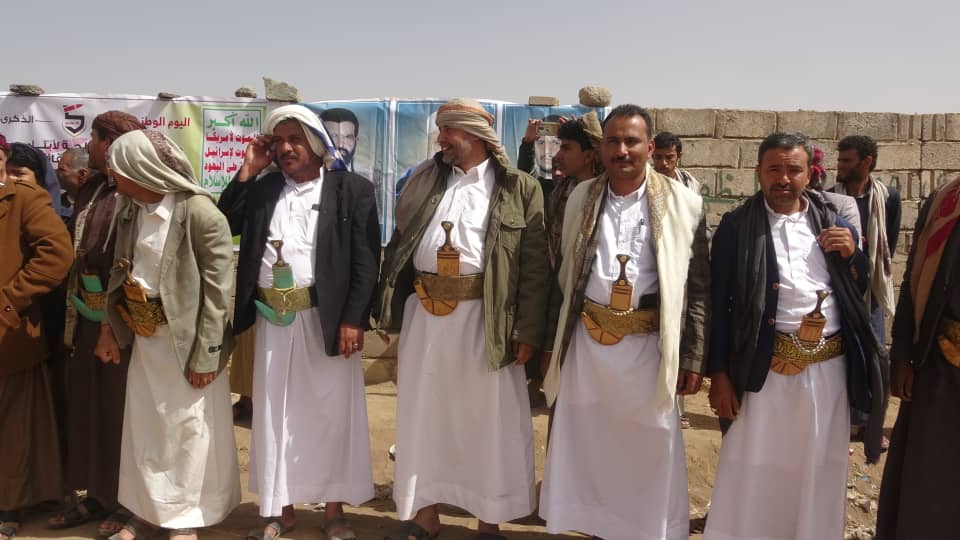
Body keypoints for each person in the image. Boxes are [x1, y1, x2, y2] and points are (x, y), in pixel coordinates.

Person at [375, 98, 549, 540]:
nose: (441, 139)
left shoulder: (519, 188)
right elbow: (400, 246)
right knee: (425, 416)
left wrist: (527, 331)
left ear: (474, 135)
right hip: (426, 318)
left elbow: (534, 267)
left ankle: (488, 521)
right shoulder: (426, 180)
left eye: (448, 131)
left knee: (487, 421)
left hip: (487, 322)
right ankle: (425, 514)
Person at [537, 105, 709, 540]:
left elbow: (698, 287)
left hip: (650, 350)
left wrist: (692, 355)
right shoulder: (581, 197)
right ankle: (597, 529)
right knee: (591, 446)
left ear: (649, 147)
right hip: (588, 348)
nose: (622, 150)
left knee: (648, 446)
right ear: (603, 149)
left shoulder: (684, 203)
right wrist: (550, 345)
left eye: (632, 141)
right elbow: (563, 278)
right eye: (613, 141)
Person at [704, 132, 885, 540]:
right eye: (774, 169)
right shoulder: (737, 225)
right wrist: (720, 374)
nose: (783, 179)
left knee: (818, 465)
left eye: (793, 170)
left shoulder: (831, 219)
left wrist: (854, 256)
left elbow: (860, 291)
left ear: (809, 174)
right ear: (758, 172)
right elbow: (719, 303)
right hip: (760, 370)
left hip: (827, 373)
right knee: (754, 465)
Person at [218, 104, 379, 540]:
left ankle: (333, 511)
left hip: (327, 322)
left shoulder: (352, 190)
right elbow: (224, 222)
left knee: (331, 414)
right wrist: (248, 170)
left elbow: (366, 261)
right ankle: (280, 511)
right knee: (275, 415)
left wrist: (353, 319)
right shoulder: (264, 189)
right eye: (279, 141)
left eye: (295, 139)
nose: (286, 148)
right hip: (274, 321)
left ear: (316, 142)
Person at [96, 129, 240, 540]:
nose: (113, 176)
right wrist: (109, 329)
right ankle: (147, 512)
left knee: (187, 432)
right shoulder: (130, 210)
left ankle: (184, 519)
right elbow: (119, 272)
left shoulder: (201, 214)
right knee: (147, 430)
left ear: (142, 170)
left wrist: (207, 354)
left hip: (188, 344)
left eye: (119, 169)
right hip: (146, 339)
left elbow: (218, 293)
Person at [49, 112, 145, 535]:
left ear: (111, 143)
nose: (87, 147)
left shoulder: (138, 190)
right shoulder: (94, 188)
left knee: (119, 410)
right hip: (87, 316)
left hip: (125, 321)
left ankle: (125, 501)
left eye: (93, 139)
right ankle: (97, 495)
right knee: (87, 405)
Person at [876, 175, 960, 539]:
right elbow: (914, 279)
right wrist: (902, 354)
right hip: (940, 365)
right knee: (931, 481)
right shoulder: (947, 200)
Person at [0, 132, 73, 540]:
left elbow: (56, 256)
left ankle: (10, 504)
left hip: (8, 335)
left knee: (13, 425)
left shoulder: (25, 199)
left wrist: (9, 302)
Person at [517, 114, 563, 199]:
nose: (547, 150)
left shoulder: (576, 185)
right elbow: (526, 175)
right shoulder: (537, 187)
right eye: (541, 143)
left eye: (555, 143)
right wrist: (527, 143)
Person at [320, 107, 360, 171]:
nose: (340, 144)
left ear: (356, 141)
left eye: (348, 137)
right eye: (333, 136)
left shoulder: (366, 175)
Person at [56, 147, 91, 213]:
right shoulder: (55, 205)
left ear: (82, 174)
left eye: (62, 169)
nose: (56, 173)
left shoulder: (102, 203)